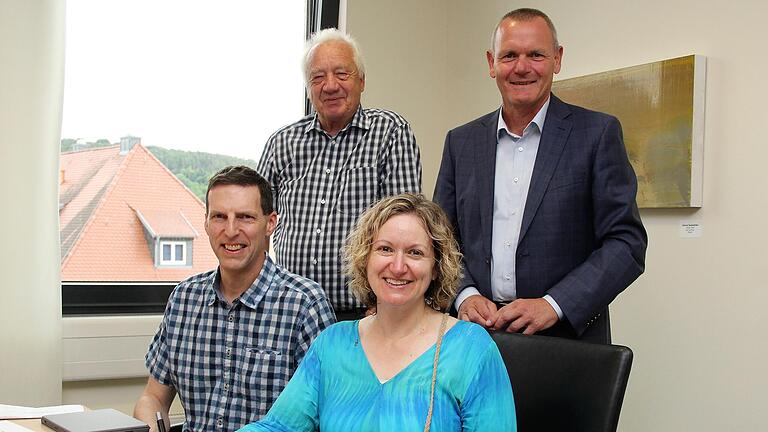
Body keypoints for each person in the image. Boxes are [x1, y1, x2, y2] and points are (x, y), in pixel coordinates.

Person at [433, 8, 647, 343]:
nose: (522, 67)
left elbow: (626, 244)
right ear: (492, 63)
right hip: (476, 337)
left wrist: (555, 304)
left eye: (536, 54)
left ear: (557, 59)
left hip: (567, 342)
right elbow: (440, 240)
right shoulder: (461, 142)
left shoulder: (597, 133)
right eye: (509, 55)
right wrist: (465, 295)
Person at [238, 193, 515, 431]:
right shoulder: (332, 344)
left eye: (415, 253)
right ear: (365, 258)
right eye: (384, 249)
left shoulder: (472, 349)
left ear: (437, 267)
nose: (397, 266)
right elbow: (279, 427)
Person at [134, 166, 336, 431]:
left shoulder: (305, 305)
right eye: (219, 216)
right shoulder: (184, 299)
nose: (230, 230)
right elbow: (153, 397)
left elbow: (329, 416)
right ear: (206, 222)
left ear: (270, 223)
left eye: (245, 217)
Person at [257, 28, 422, 321]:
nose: (330, 86)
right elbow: (256, 223)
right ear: (308, 88)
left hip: (364, 314)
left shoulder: (390, 133)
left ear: (361, 80)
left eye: (341, 74)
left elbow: (404, 226)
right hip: (290, 312)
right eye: (318, 77)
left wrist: (385, 304)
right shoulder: (281, 143)